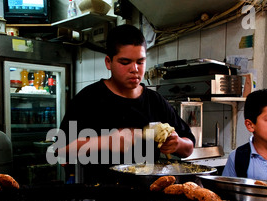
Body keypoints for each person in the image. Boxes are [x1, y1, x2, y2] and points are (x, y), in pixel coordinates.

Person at [54, 24, 195, 184]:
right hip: (100, 197)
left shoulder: (155, 101)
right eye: (125, 62)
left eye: (140, 62)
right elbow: (60, 151)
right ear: (109, 62)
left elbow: (188, 148)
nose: (134, 69)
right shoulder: (88, 98)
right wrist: (105, 141)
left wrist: (177, 144)